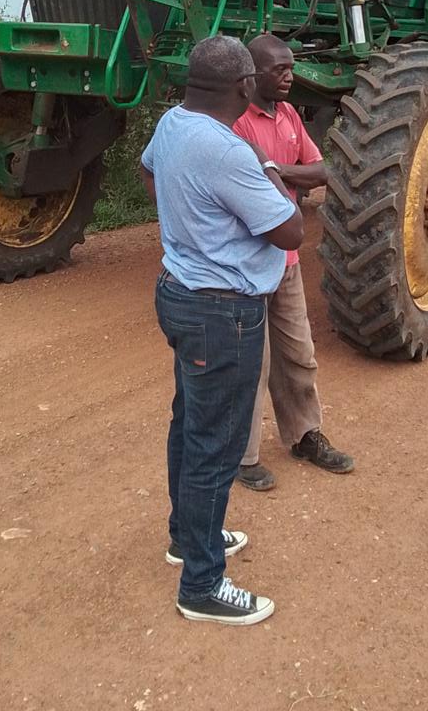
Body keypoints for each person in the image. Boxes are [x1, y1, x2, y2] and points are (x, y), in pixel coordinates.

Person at [140, 34, 303, 626]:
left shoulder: (172, 125)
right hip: (223, 310)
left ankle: (186, 537)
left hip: (179, 293)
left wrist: (196, 223)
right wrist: (275, 183)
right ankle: (202, 586)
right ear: (242, 86)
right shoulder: (228, 151)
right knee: (217, 447)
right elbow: (290, 233)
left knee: (189, 423)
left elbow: (149, 177)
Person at [231, 33, 354, 491]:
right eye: (278, 69)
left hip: (285, 260)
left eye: (291, 68)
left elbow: (323, 172)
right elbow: (249, 190)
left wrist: (279, 171)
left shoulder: (288, 116)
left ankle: (305, 436)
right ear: (251, 72)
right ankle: (243, 458)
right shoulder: (235, 122)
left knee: (298, 354)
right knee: (251, 364)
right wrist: (282, 179)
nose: (289, 76)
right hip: (245, 263)